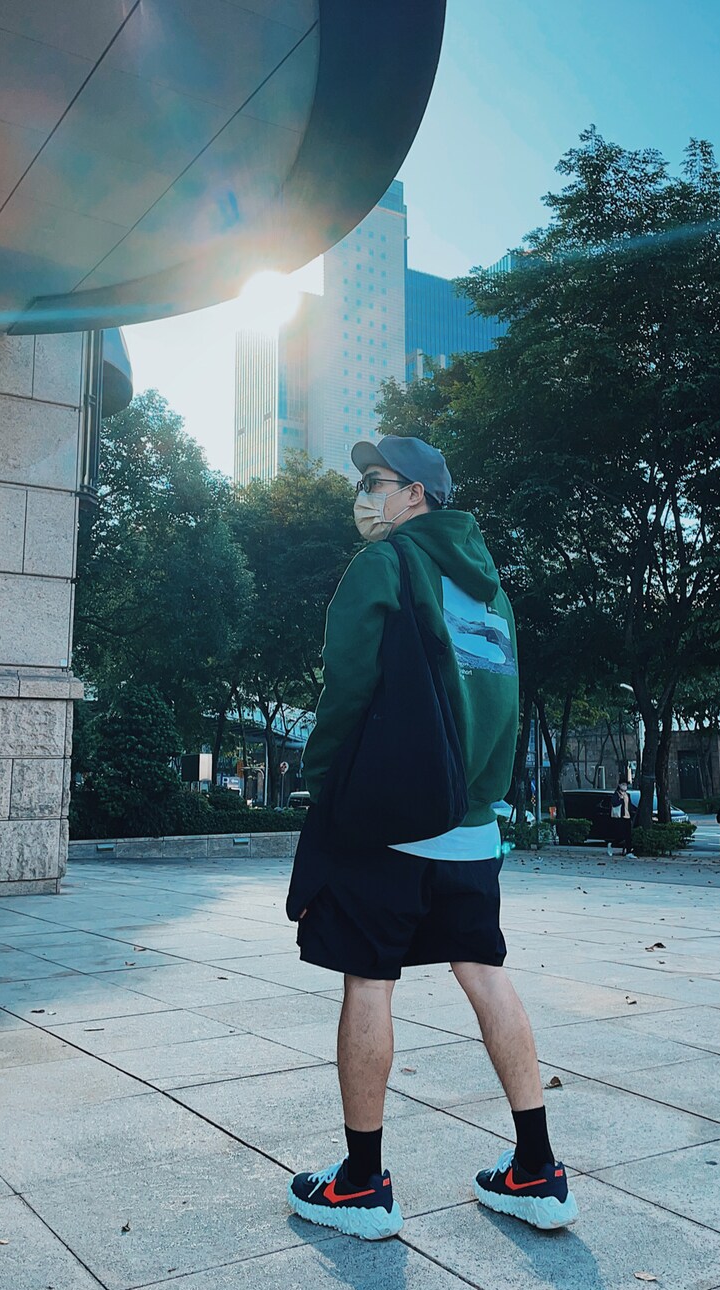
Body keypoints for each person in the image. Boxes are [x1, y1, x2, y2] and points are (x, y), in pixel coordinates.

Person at [285, 435, 578, 1241]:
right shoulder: (490, 591)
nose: (363, 495)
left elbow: (347, 689)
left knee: (368, 983)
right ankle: (537, 1170)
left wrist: (322, 779)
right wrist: (484, 794)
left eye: (375, 482)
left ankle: (361, 1184)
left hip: (388, 822)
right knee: (485, 973)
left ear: (416, 494)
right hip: (472, 826)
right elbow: (505, 704)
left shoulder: (383, 566)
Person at [607, 778, 636, 858]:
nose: (624, 786)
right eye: (623, 784)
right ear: (619, 785)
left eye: (626, 785)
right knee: (620, 835)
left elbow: (629, 805)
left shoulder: (627, 795)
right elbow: (614, 803)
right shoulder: (616, 794)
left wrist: (635, 810)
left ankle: (629, 852)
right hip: (620, 817)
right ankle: (611, 845)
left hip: (627, 817)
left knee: (628, 836)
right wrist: (621, 799)